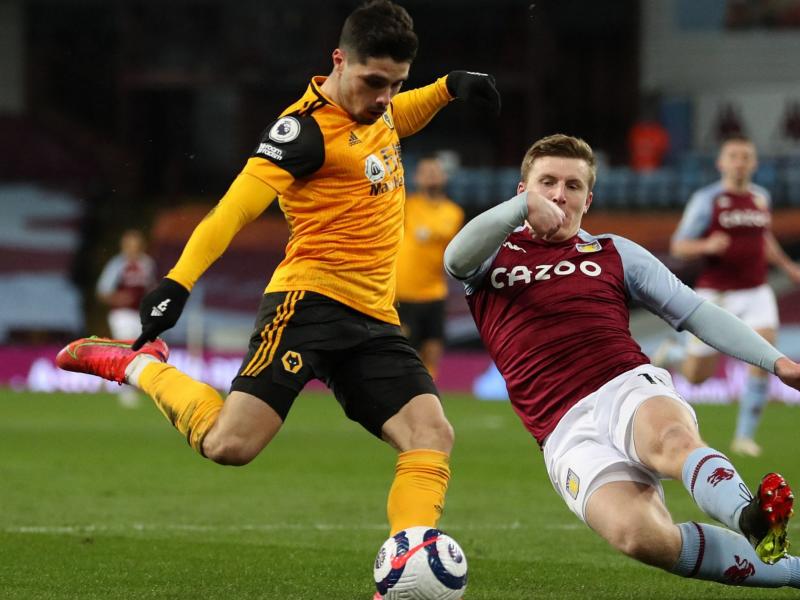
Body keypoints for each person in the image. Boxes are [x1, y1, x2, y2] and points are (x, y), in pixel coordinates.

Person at [56, 1, 500, 589]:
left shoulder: (381, 109)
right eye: (374, 82)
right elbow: (233, 210)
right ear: (338, 61)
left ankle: (403, 573)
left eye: (396, 84)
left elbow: (399, 118)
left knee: (431, 433)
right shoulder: (301, 133)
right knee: (230, 446)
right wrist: (178, 281)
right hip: (308, 305)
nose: (385, 97)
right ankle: (137, 366)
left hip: (374, 317)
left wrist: (446, 88)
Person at [443, 134, 800, 599]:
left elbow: (696, 312)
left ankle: (749, 517)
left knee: (671, 441)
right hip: (561, 428)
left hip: (624, 384)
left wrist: (776, 362)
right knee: (640, 537)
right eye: (547, 183)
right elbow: (454, 259)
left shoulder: (613, 252)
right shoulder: (492, 255)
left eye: (573, 186)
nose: (559, 194)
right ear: (523, 192)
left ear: (588, 199)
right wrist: (520, 212)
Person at [664, 135, 800, 457]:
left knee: (765, 358)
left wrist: (786, 266)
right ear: (721, 163)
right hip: (718, 294)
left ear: (754, 163)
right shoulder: (707, 200)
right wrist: (705, 246)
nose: (740, 162)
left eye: (746, 156)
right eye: (734, 156)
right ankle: (675, 354)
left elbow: (763, 238)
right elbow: (678, 245)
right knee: (698, 376)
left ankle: (744, 437)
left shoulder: (760, 198)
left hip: (757, 290)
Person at [395, 155, 464, 379]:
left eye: (435, 171)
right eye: (426, 172)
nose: (431, 175)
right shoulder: (404, 205)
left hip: (434, 291)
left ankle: (428, 393)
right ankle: (407, 398)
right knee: (407, 352)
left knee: (433, 350)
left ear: (444, 177)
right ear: (416, 177)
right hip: (404, 292)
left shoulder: (453, 213)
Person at [95, 229, 157, 407]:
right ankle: (126, 391)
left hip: (140, 315)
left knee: (139, 351)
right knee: (127, 349)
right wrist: (118, 298)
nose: (132, 249)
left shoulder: (147, 264)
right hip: (121, 314)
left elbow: (152, 287)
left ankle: (108, 379)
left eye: (135, 245)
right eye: (129, 245)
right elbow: (102, 291)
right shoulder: (117, 265)